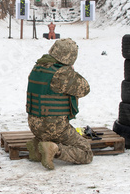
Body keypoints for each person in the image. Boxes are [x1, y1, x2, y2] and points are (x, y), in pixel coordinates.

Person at [25, 38, 93, 170]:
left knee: (53, 133)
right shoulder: (62, 73)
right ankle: (55, 150)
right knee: (86, 151)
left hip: (34, 125)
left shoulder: (38, 67)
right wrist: (71, 71)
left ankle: (37, 145)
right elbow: (85, 88)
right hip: (54, 127)